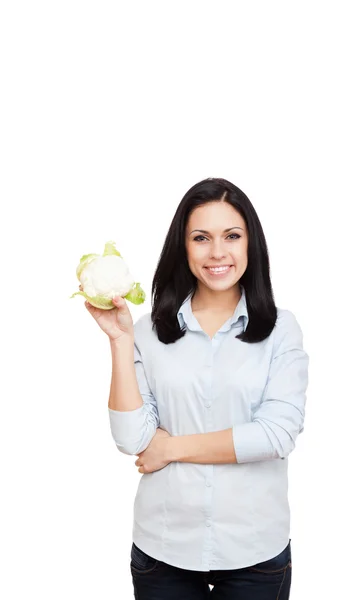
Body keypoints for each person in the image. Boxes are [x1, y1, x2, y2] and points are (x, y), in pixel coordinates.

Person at [84, 177, 309, 599]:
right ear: (183, 247)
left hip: (254, 550)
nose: (218, 252)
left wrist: (172, 448)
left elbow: (277, 434)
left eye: (232, 236)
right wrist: (119, 341)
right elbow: (131, 438)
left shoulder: (281, 330)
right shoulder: (147, 331)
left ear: (250, 245)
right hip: (164, 547)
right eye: (201, 238)